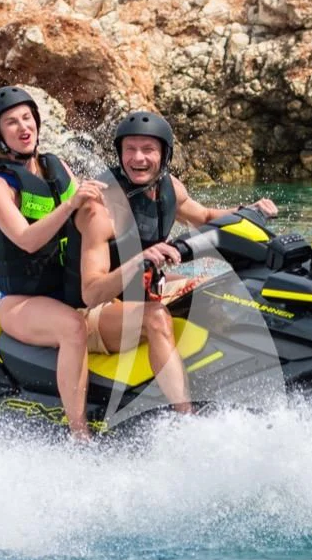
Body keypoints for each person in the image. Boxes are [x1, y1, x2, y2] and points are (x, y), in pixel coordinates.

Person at [71, 111, 279, 416]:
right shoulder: (99, 210)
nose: (138, 158)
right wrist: (140, 260)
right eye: (130, 149)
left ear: (164, 154)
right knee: (156, 317)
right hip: (91, 312)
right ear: (119, 153)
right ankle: (185, 419)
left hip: (137, 293)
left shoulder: (169, 188)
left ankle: (241, 383)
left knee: (220, 289)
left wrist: (250, 211)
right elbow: (91, 292)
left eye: (148, 150)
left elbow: (205, 217)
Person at [0, 86, 102, 440]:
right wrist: (71, 206)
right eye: (11, 122)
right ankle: (79, 435)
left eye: (27, 118)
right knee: (73, 328)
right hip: (21, 303)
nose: (23, 127)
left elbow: (92, 218)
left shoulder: (55, 167)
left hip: (69, 289)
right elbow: (26, 241)